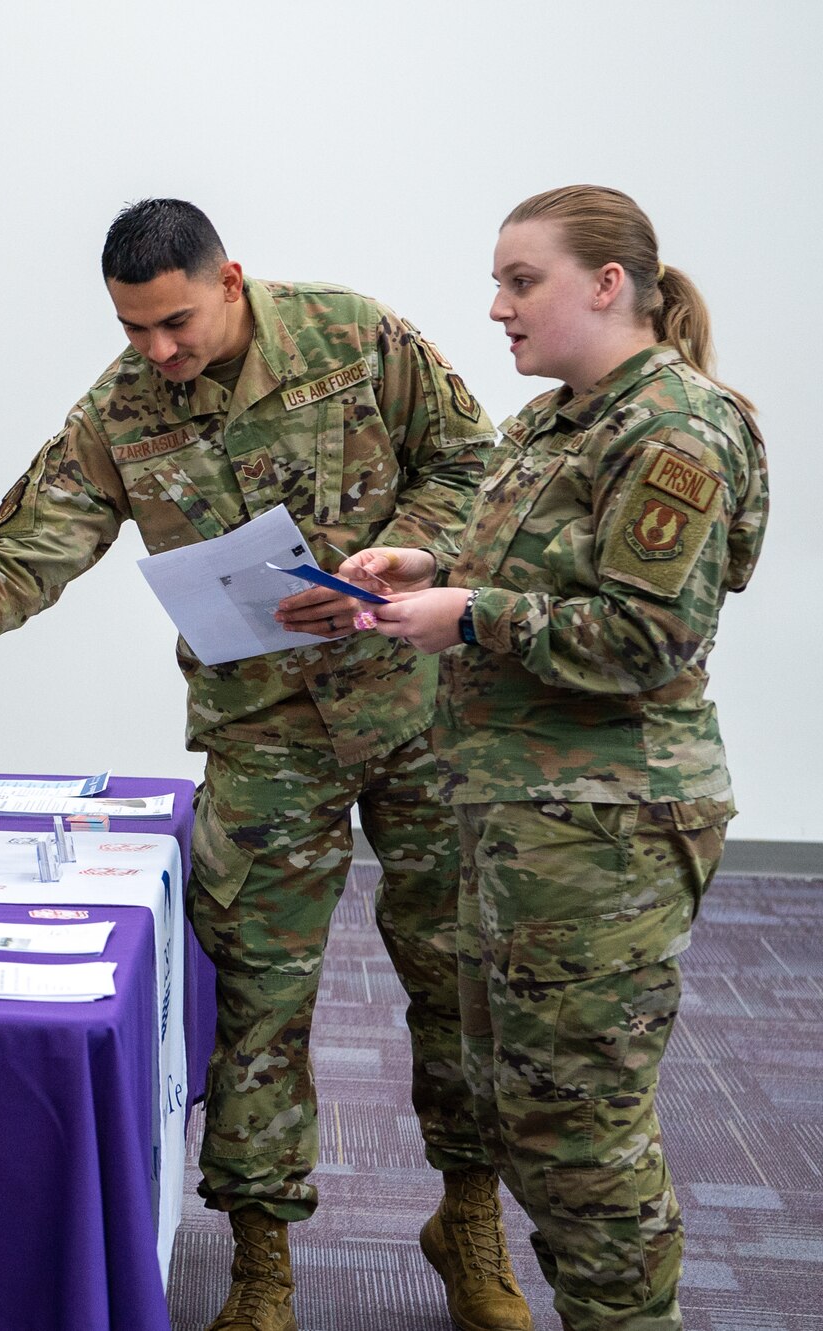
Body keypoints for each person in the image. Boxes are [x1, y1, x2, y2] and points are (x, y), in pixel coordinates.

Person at [0, 199, 529, 1331]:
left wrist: (411, 549)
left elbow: (472, 463)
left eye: (173, 322)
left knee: (458, 981)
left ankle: (469, 1218)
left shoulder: (352, 337)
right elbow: (28, 548)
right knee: (256, 997)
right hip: (260, 726)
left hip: (417, 706)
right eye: (132, 328)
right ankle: (260, 1264)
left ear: (230, 279)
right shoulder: (121, 405)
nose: (156, 350)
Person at [359, 185, 768, 1331]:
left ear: (606, 284)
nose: (494, 306)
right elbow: (510, 554)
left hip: (609, 828)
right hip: (517, 812)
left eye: (519, 280)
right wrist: (417, 559)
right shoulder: (551, 420)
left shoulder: (674, 429)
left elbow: (648, 633)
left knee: (582, 1131)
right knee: (517, 1106)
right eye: (496, 281)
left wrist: (470, 615)